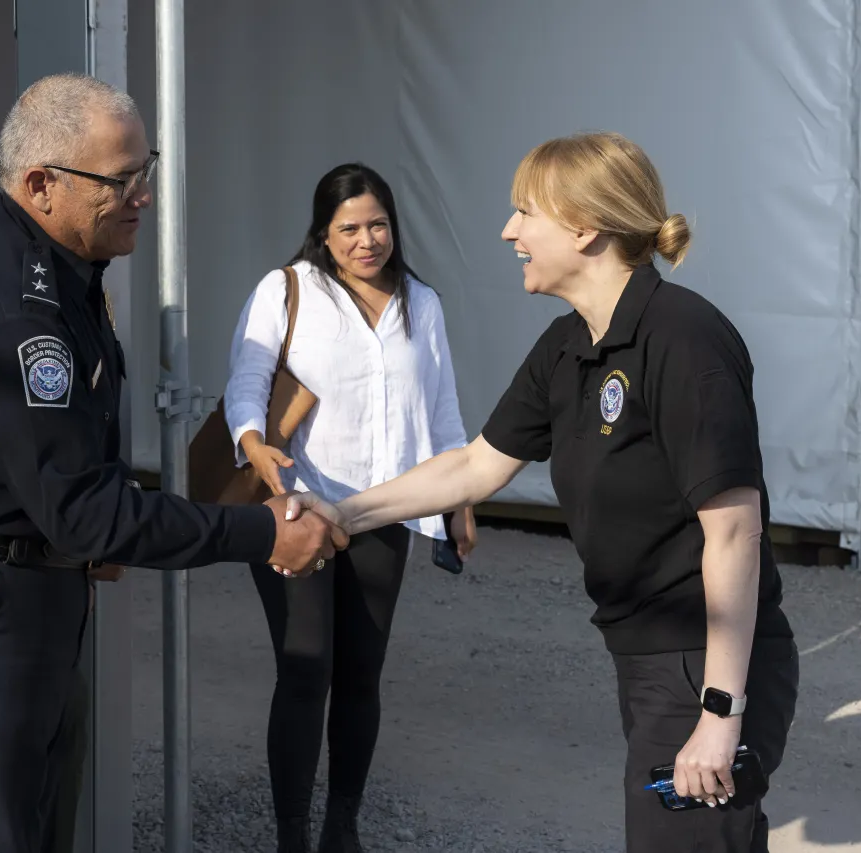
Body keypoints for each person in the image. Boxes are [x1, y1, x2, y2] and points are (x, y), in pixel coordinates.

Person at [0, 73, 344, 853]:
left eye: (144, 170)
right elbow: (83, 508)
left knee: (26, 817)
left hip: (21, 590)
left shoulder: (54, 272)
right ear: (40, 184)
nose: (141, 195)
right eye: (120, 180)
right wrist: (261, 532)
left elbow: (73, 468)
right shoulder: (16, 313)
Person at [287, 132, 799, 853]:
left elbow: (734, 532)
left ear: (585, 226)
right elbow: (473, 467)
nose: (509, 231)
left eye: (525, 212)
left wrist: (719, 712)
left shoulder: (684, 338)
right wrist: (341, 510)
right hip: (649, 656)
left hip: (701, 660)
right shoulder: (568, 345)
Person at [224, 163, 476, 852]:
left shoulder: (421, 302)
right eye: (349, 228)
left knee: (361, 675)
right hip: (297, 511)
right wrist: (253, 443)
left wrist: (459, 499)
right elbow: (245, 385)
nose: (367, 240)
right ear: (323, 233)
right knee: (306, 668)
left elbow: (444, 410)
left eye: (377, 225)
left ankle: (342, 826)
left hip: (382, 514)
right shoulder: (287, 290)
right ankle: (291, 835)